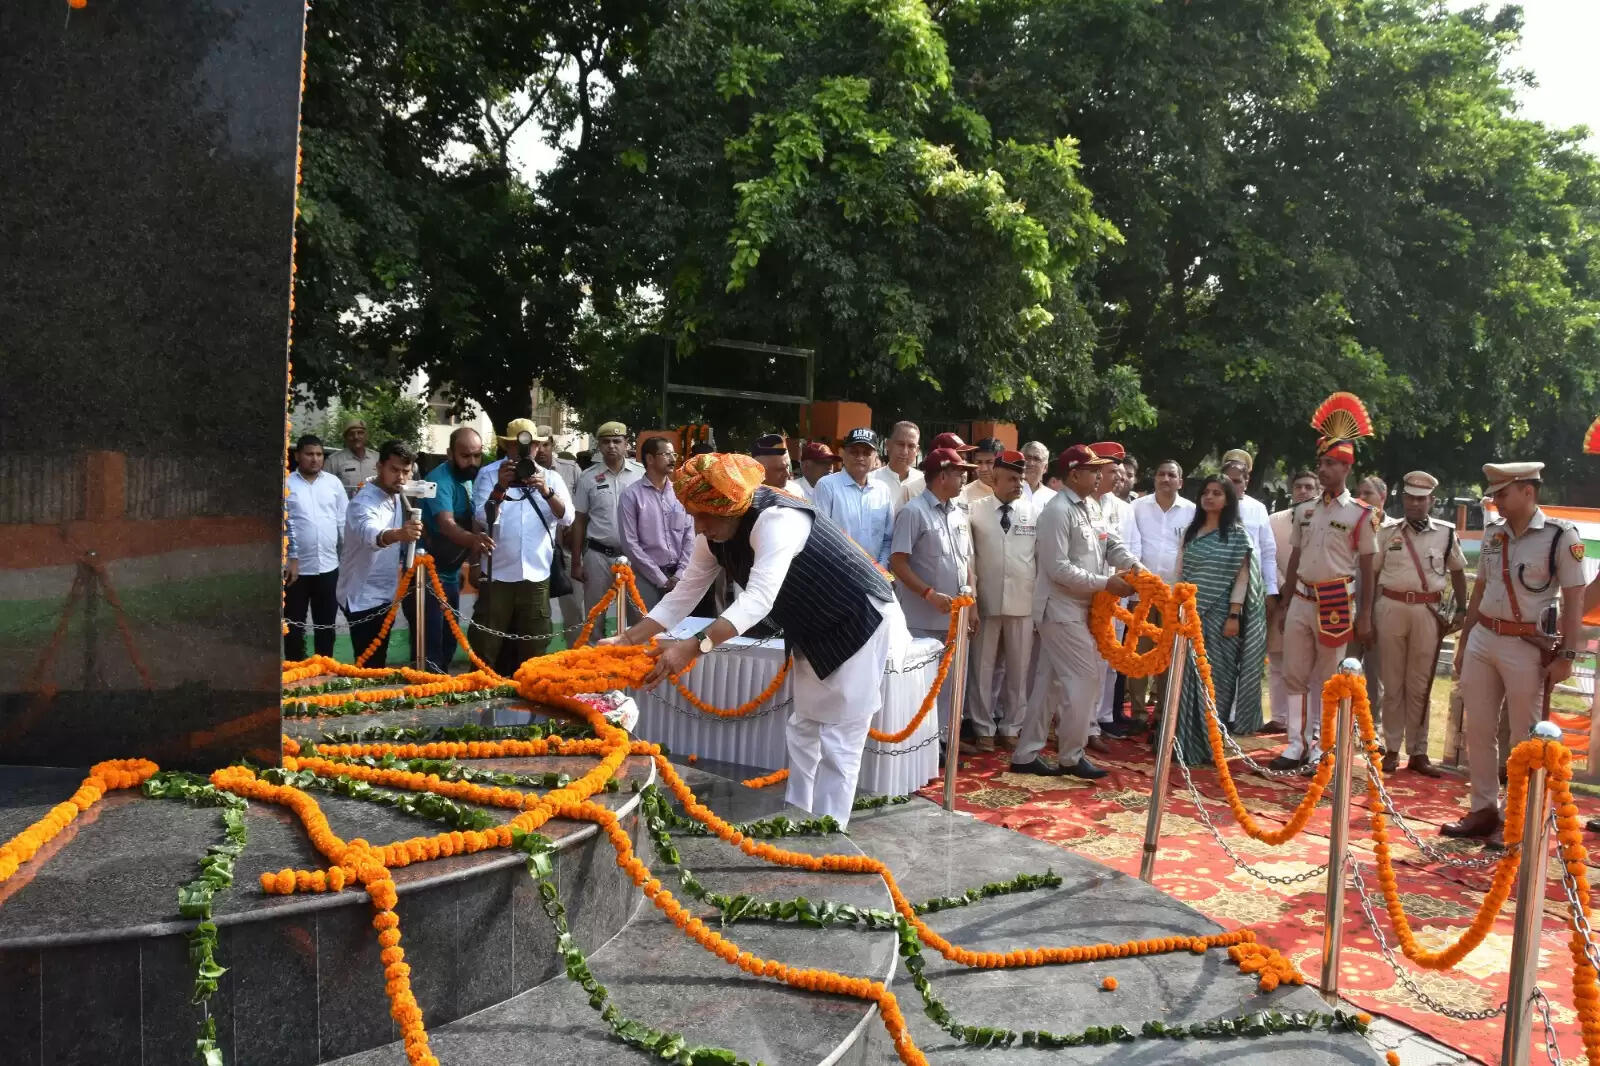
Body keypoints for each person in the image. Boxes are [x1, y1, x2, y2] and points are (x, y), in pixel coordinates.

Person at [606, 454, 909, 826]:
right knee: (805, 728)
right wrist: (627, 639)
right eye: (693, 516)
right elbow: (683, 596)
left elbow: (758, 600)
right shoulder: (712, 536)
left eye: (705, 516)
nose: (699, 527)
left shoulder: (777, 520)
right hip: (811, 625)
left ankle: (830, 831)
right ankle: (798, 817)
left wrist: (693, 647)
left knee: (840, 738)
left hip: (858, 617)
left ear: (730, 507)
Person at [1444, 461, 1587, 838]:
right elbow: (1480, 589)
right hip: (1484, 637)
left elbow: (1575, 599)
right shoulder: (1494, 533)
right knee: (1478, 728)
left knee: (1525, 735)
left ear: (1528, 491)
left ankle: (1518, 815)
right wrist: (1465, 641)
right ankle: (1483, 809)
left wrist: (1567, 656)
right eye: (1494, 495)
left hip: (1527, 645)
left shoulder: (1560, 536)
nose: (1497, 502)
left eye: (1503, 494)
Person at [1013, 445, 1140, 779]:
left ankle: (1025, 754)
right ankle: (1071, 755)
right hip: (1060, 608)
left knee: (1049, 684)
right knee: (1085, 677)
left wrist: (1133, 565)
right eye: (1093, 470)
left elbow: (1110, 543)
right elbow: (1057, 569)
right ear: (1074, 474)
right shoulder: (1057, 511)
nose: (1099, 475)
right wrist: (1106, 583)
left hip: (1080, 607)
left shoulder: (1090, 506)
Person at [1272, 394, 1378, 772]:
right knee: (1295, 672)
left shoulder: (1361, 514)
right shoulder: (1304, 510)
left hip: (1336, 601)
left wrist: (1364, 615)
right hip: (1301, 598)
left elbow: (1368, 567)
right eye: (1321, 463)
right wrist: (1285, 603)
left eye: (1331, 463)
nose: (1323, 470)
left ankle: (1322, 743)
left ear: (1347, 467)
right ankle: (1296, 743)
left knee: (1328, 677)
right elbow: (1296, 558)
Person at [1374, 471, 1467, 777]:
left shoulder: (1446, 533)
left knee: (1420, 684)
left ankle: (1418, 750)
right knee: (1392, 683)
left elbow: (1457, 571)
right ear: (1403, 499)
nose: (1415, 503)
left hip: (1428, 610)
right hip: (1391, 607)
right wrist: (1367, 616)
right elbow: (1373, 573)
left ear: (1432, 501)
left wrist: (1462, 609)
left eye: (1421, 499)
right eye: (1410, 497)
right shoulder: (1386, 531)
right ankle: (1391, 748)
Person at [1172, 476, 1267, 758]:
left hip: (1221, 615)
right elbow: (1179, 572)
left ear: (1228, 500)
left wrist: (1234, 614)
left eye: (1216, 493)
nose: (1209, 497)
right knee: (1185, 677)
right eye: (1205, 492)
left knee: (1218, 679)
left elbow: (1242, 578)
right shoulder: (1191, 532)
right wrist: (1175, 607)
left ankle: (1211, 742)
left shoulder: (1237, 536)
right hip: (1189, 615)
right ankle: (1182, 742)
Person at [890, 446, 977, 752]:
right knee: (922, 686)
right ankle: (922, 747)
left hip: (955, 619)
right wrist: (928, 593)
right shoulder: (913, 512)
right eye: (959, 473)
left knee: (952, 685)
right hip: (922, 619)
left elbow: (966, 562)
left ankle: (943, 742)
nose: (964, 478)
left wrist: (973, 605)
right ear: (942, 476)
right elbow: (898, 562)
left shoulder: (958, 512)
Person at [471, 418, 573, 673]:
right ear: (507, 447)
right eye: (517, 446)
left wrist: (546, 491)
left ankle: (530, 694)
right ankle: (482, 692)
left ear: (538, 447)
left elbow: (568, 518)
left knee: (535, 645)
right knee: (486, 643)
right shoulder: (490, 474)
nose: (525, 451)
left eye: (531, 446)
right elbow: (483, 517)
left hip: (536, 574)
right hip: (497, 573)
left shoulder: (551, 477)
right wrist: (500, 487)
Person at [967, 450, 1036, 752]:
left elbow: (1040, 559)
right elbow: (969, 558)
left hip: (1023, 601)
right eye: (1011, 478)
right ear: (994, 479)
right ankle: (983, 727)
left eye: (1020, 478)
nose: (1018, 484)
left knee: (1018, 670)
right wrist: (972, 598)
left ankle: (1011, 727)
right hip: (986, 600)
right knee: (982, 668)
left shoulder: (1034, 512)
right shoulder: (974, 510)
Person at [337, 440, 423, 668]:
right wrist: (400, 534)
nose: (401, 477)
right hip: (362, 599)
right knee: (369, 667)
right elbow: (371, 534)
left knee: (378, 665)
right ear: (379, 466)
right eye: (394, 470)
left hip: (385, 594)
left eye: (406, 471)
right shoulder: (363, 502)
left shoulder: (394, 493)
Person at [1125, 459, 1196, 717]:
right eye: (1161, 474)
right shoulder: (1137, 507)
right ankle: (1138, 712)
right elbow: (1130, 547)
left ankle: (1164, 714)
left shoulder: (1191, 511)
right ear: (1154, 478)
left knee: (1168, 654)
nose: (1166, 479)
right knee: (1139, 653)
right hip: (1142, 593)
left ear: (1180, 482)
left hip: (1174, 596)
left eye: (1171, 475)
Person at [420, 427, 492, 671]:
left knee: (450, 636)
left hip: (451, 570)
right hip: (429, 571)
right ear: (450, 453)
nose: (472, 462)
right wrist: (475, 542)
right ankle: (431, 684)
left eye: (477, 455)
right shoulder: (438, 480)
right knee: (433, 639)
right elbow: (447, 525)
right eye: (465, 456)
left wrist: (470, 561)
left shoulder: (472, 477)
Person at [571, 420, 645, 628]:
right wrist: (576, 561)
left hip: (635, 555)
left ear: (626, 444)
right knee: (594, 617)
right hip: (598, 555)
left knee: (638, 616)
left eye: (616, 441)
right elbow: (579, 521)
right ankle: (593, 649)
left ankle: (634, 650)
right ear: (599, 445)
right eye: (606, 442)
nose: (611, 446)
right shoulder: (588, 477)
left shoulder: (641, 474)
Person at [1264, 470, 1321, 734]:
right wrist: (1282, 585)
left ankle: (1313, 723)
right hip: (1281, 597)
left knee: (1313, 666)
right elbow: (1267, 557)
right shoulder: (1275, 521)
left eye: (1309, 487)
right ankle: (1279, 717)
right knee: (1278, 660)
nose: (1303, 491)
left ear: (1318, 491)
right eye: (1298, 486)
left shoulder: (1326, 520)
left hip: (1317, 599)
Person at [284, 434, 348, 659]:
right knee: (293, 627)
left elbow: (343, 521)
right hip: (295, 570)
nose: (315, 459)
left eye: (319, 454)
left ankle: (325, 669)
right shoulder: (286, 484)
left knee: (326, 626)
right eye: (309, 454)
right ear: (297, 456)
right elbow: (282, 525)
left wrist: (347, 558)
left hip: (328, 567)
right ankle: (295, 670)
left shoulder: (333, 483)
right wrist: (289, 559)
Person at [1087, 442, 1135, 741]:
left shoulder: (1123, 509)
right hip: (1087, 592)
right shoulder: (1080, 504)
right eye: (1111, 470)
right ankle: (1082, 721)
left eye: (1119, 471)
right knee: (1087, 660)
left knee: (1110, 660)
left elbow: (1131, 548)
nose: (1118, 476)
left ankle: (1103, 716)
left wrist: (1130, 576)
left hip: (1116, 595)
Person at [619, 436, 694, 609]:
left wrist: (679, 574)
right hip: (645, 577)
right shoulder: (631, 495)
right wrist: (661, 580)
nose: (673, 459)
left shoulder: (680, 493)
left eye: (674, 454)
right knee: (645, 624)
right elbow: (630, 544)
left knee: (678, 625)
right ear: (650, 458)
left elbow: (690, 536)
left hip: (680, 577)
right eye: (666, 454)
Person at [813, 427, 895, 566]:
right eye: (854, 452)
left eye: (866, 453)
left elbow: (888, 539)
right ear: (843, 454)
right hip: (837, 571)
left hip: (875, 573)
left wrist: (880, 569)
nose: (860, 457)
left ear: (875, 457)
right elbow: (820, 535)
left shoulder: (883, 490)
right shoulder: (827, 486)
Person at [1355, 474, 1400, 722]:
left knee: (1376, 675)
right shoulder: (1349, 523)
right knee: (1345, 670)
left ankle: (1372, 730)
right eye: (1358, 493)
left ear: (1382, 497)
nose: (1361, 498)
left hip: (1382, 609)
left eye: (1367, 493)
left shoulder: (1396, 529)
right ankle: (1340, 730)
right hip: (1348, 607)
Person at [537, 428, 585, 645]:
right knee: (536, 610)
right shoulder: (518, 472)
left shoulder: (571, 470)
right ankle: (537, 654)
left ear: (552, 445)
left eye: (545, 444)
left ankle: (575, 653)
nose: (541, 450)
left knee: (574, 608)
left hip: (566, 550)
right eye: (537, 445)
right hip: (536, 551)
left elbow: (582, 509)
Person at [874, 420, 925, 509]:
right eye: (900, 444)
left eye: (911, 446)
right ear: (887, 444)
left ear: (917, 450)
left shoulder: (924, 482)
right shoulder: (871, 480)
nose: (905, 452)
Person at [327, 419, 380, 496]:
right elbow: (325, 488)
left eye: (360, 433)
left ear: (366, 436)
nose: (356, 437)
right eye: (351, 434)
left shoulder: (377, 458)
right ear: (345, 438)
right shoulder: (333, 461)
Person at [960, 438, 1003, 507]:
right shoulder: (964, 494)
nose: (983, 469)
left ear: (1002, 462)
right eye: (979, 462)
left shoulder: (1014, 490)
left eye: (989, 462)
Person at [1021, 441, 1054, 509]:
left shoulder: (1053, 498)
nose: (1031, 463)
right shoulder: (1008, 490)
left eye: (1036, 459)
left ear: (1045, 468)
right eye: (1027, 458)